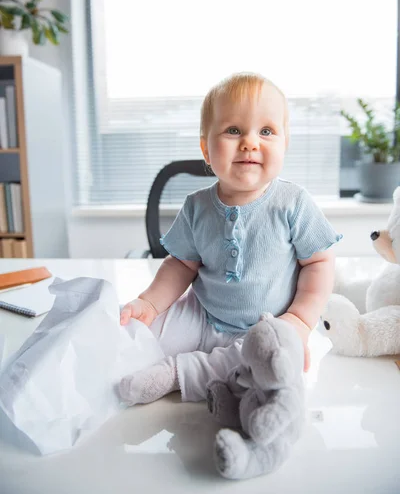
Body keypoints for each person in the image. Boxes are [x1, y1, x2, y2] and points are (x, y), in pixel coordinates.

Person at [119, 72, 341, 405]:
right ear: (206, 149)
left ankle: (179, 374)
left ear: (284, 144)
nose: (250, 142)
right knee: (137, 332)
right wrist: (150, 303)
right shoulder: (197, 205)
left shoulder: (293, 203)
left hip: (268, 323)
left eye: (266, 131)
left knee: (272, 359)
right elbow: (181, 264)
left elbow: (319, 262)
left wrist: (299, 319)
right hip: (202, 313)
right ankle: (157, 360)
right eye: (233, 130)